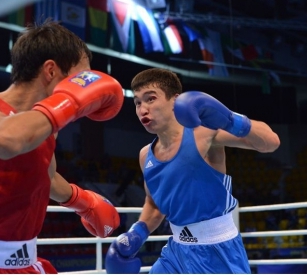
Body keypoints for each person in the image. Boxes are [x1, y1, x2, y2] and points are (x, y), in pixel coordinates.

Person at [105, 68, 280, 273]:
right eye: (137, 102)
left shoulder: (205, 133)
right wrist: (137, 233)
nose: (143, 109)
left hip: (218, 253)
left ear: (175, 101)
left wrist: (231, 119)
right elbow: (154, 205)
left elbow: (270, 143)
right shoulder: (146, 155)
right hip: (176, 252)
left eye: (150, 99)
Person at [0, 19, 124, 274]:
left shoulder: (43, 127)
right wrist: (67, 103)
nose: (85, 90)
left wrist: (83, 201)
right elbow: (8, 140)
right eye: (80, 80)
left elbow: (44, 172)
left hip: (24, 261)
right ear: (51, 71)